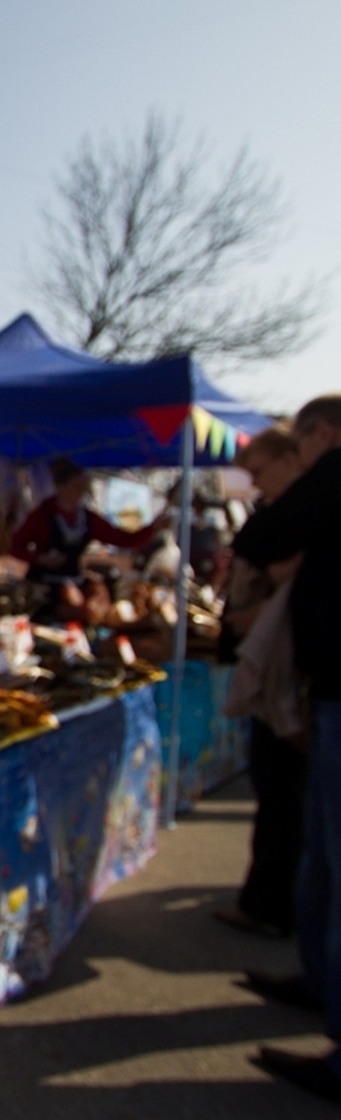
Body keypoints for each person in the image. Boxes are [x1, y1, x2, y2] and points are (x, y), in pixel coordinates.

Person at [230, 395, 341, 1104]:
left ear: (323, 438)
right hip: (326, 689)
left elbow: (264, 535)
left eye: (302, 454)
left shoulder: (331, 472)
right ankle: (321, 981)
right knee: (323, 857)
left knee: (329, 854)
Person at [213, 427, 306, 940]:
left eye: (258, 472)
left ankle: (269, 904)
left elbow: (298, 576)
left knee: (282, 790)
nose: (254, 485)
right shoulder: (287, 513)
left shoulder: (306, 513)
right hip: (275, 665)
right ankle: (271, 900)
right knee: (278, 789)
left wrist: (263, 614)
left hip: (283, 668)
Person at [9, 457, 165, 622]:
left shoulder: (87, 518)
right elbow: (14, 546)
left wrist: (153, 528)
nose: (80, 493)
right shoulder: (42, 515)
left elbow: (124, 539)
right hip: (43, 586)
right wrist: (39, 558)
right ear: (60, 487)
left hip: (73, 581)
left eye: (83, 488)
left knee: (89, 607)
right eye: (76, 487)